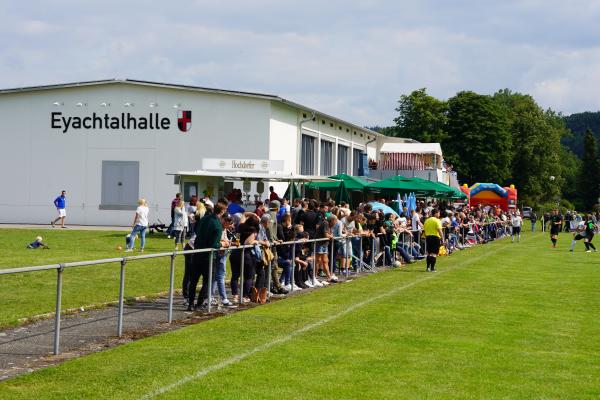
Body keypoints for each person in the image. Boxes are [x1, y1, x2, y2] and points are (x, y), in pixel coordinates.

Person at [188, 204, 225, 311]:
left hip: (197, 253)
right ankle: (199, 304)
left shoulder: (204, 219)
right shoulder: (217, 224)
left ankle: (190, 303)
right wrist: (223, 244)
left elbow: (197, 230)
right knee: (208, 281)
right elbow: (214, 244)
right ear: (222, 211)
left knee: (193, 280)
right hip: (208, 256)